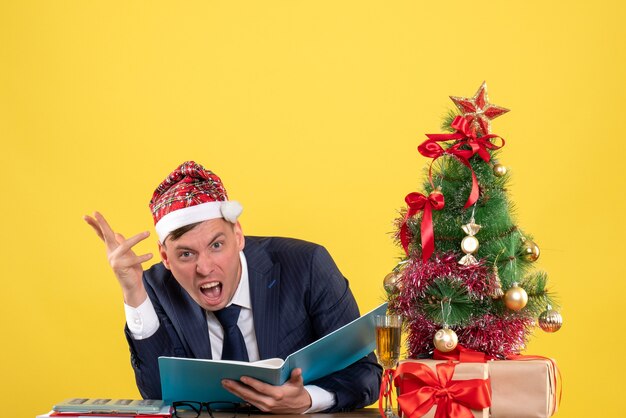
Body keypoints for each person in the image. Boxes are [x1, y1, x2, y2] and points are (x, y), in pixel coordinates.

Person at [84, 161, 381, 414]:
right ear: (166, 258)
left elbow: (366, 376)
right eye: (186, 254)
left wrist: (307, 400)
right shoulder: (155, 287)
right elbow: (158, 396)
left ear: (238, 235)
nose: (204, 268)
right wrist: (133, 291)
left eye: (216, 245)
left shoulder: (307, 266)